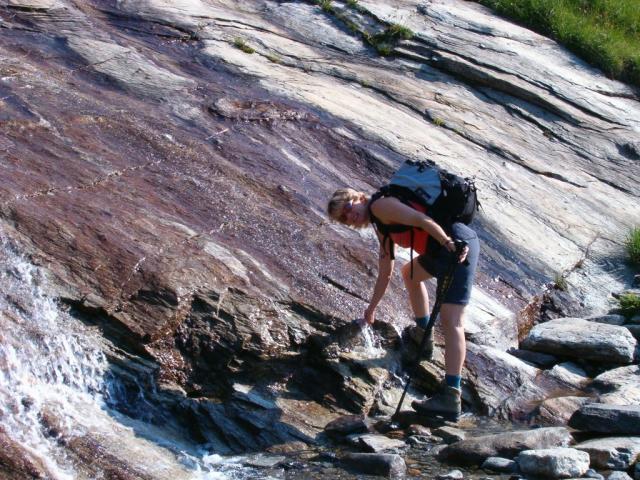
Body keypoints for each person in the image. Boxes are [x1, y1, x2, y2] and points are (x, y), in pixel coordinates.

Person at [327, 187, 479, 419]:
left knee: (452, 320)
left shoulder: (381, 206)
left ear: (358, 197)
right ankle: (424, 335)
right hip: (439, 249)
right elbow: (385, 271)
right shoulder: (380, 225)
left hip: (456, 246)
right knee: (409, 273)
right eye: (344, 219)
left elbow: (422, 219)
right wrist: (371, 308)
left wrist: (449, 244)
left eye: (348, 209)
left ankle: (450, 395)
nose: (350, 217)